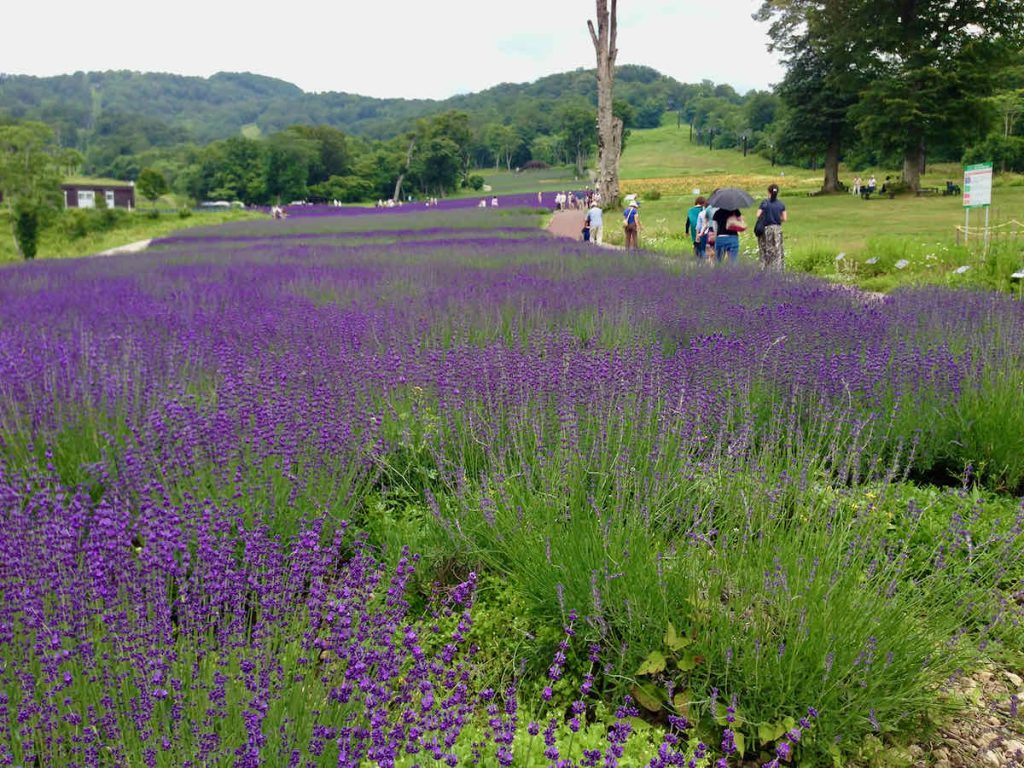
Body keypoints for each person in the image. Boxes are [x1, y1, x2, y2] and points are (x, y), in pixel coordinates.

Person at [755, 183, 787, 271]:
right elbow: (784, 218)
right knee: (778, 249)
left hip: (767, 229)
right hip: (777, 229)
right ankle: (778, 269)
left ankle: (765, 269)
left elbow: (758, 215)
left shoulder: (764, 203)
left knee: (766, 249)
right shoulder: (781, 204)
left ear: (768, 192)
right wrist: (777, 217)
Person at [685, 195, 707, 260]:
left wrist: (686, 232)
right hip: (703, 230)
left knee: (696, 243)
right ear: (703, 203)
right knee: (703, 246)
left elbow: (687, 222)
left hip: (694, 230)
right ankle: (704, 259)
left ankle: (697, 258)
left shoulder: (690, 210)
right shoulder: (703, 209)